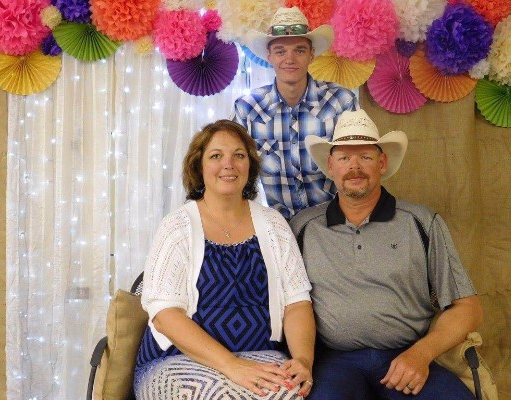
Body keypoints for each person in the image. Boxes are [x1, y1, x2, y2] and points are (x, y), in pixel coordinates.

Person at [289, 109, 484, 399]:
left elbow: (468, 307)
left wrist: (421, 354)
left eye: (365, 157)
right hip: (334, 362)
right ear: (330, 165)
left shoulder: (422, 222)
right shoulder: (303, 228)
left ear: (382, 163)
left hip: (407, 355)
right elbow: (287, 305)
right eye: (344, 158)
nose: (355, 167)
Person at [134, 120, 316, 400]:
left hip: (262, 356)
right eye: (216, 156)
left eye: (238, 155)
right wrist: (233, 366)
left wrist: (303, 360)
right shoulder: (176, 226)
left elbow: (297, 303)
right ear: (199, 167)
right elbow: (165, 317)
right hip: (177, 360)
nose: (228, 164)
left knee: (287, 393)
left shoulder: (274, 224)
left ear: (250, 165)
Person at [232, 6, 359, 220]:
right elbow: (234, 171)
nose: (289, 59)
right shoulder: (247, 108)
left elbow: (357, 168)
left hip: (334, 222)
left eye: (299, 50)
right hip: (277, 226)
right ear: (269, 56)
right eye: (280, 51)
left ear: (311, 55)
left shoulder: (341, 102)